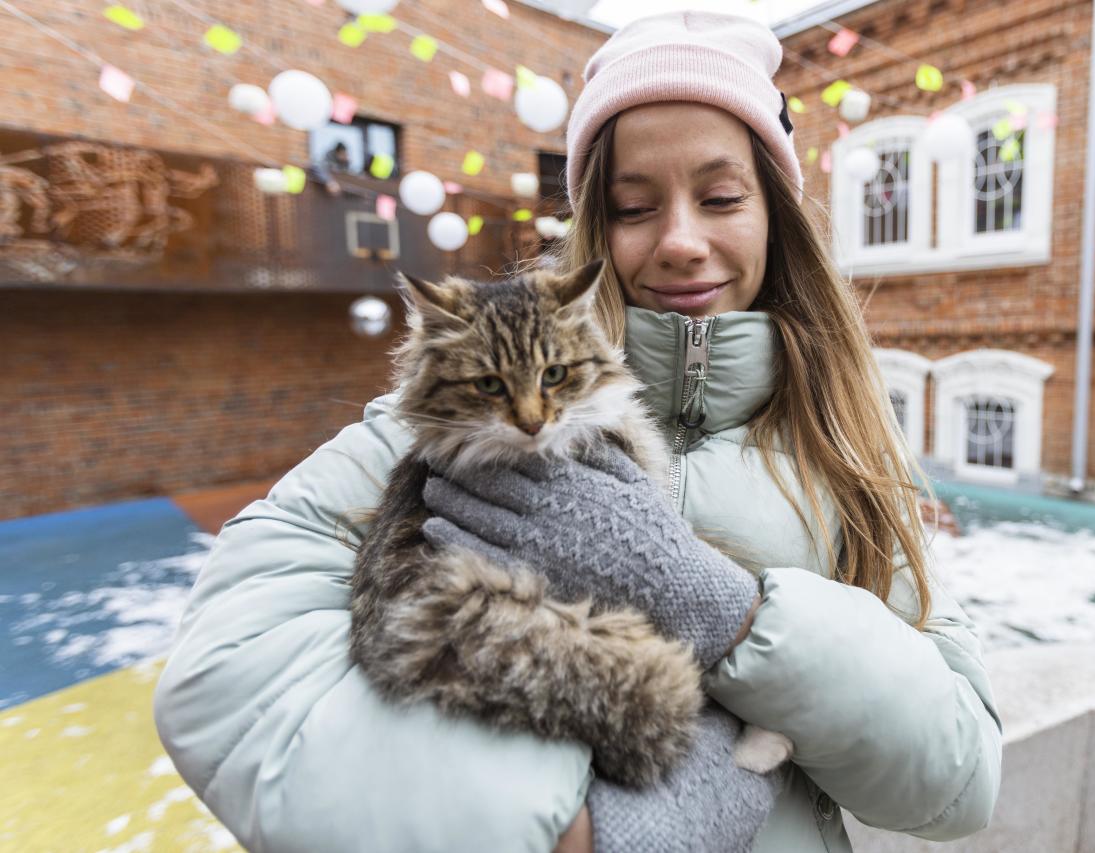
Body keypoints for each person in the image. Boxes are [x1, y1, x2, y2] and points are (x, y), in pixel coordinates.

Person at [153, 10, 1002, 853]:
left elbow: (960, 778)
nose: (679, 241)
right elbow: (224, 669)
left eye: (720, 197)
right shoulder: (445, 423)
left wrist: (734, 614)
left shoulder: (850, 437)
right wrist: (573, 833)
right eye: (635, 206)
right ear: (596, 223)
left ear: (773, 211)